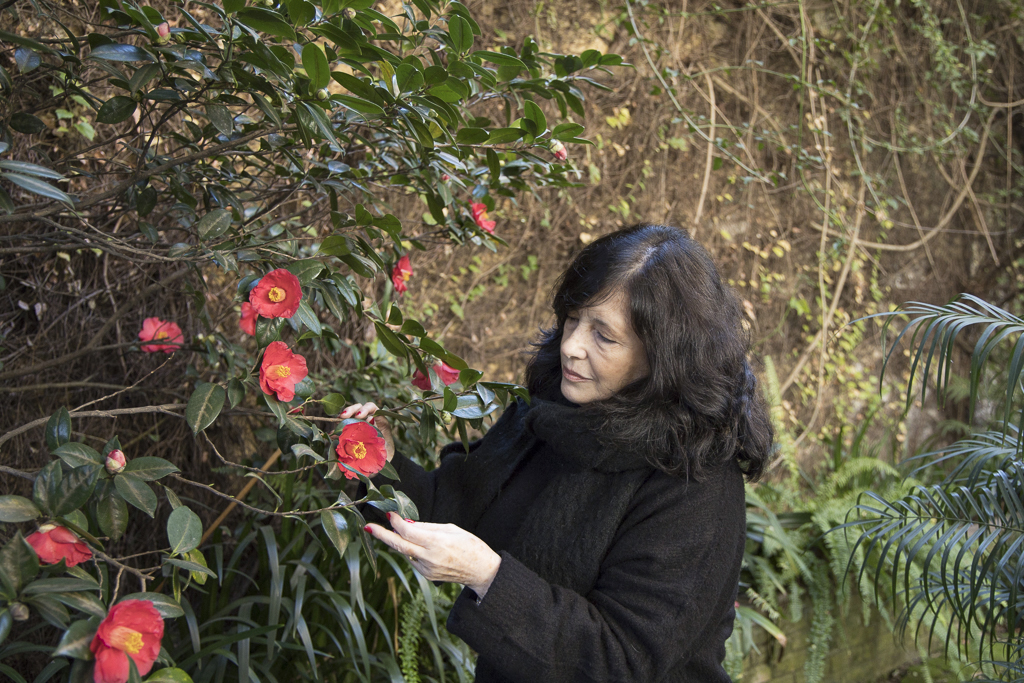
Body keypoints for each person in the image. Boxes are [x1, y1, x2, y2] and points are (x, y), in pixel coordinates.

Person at [343, 223, 774, 682]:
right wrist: (374, 458)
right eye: (573, 318)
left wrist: (488, 577)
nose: (571, 346)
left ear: (663, 355)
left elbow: (620, 661)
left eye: (603, 336)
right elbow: (453, 509)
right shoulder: (554, 412)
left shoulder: (695, 482)